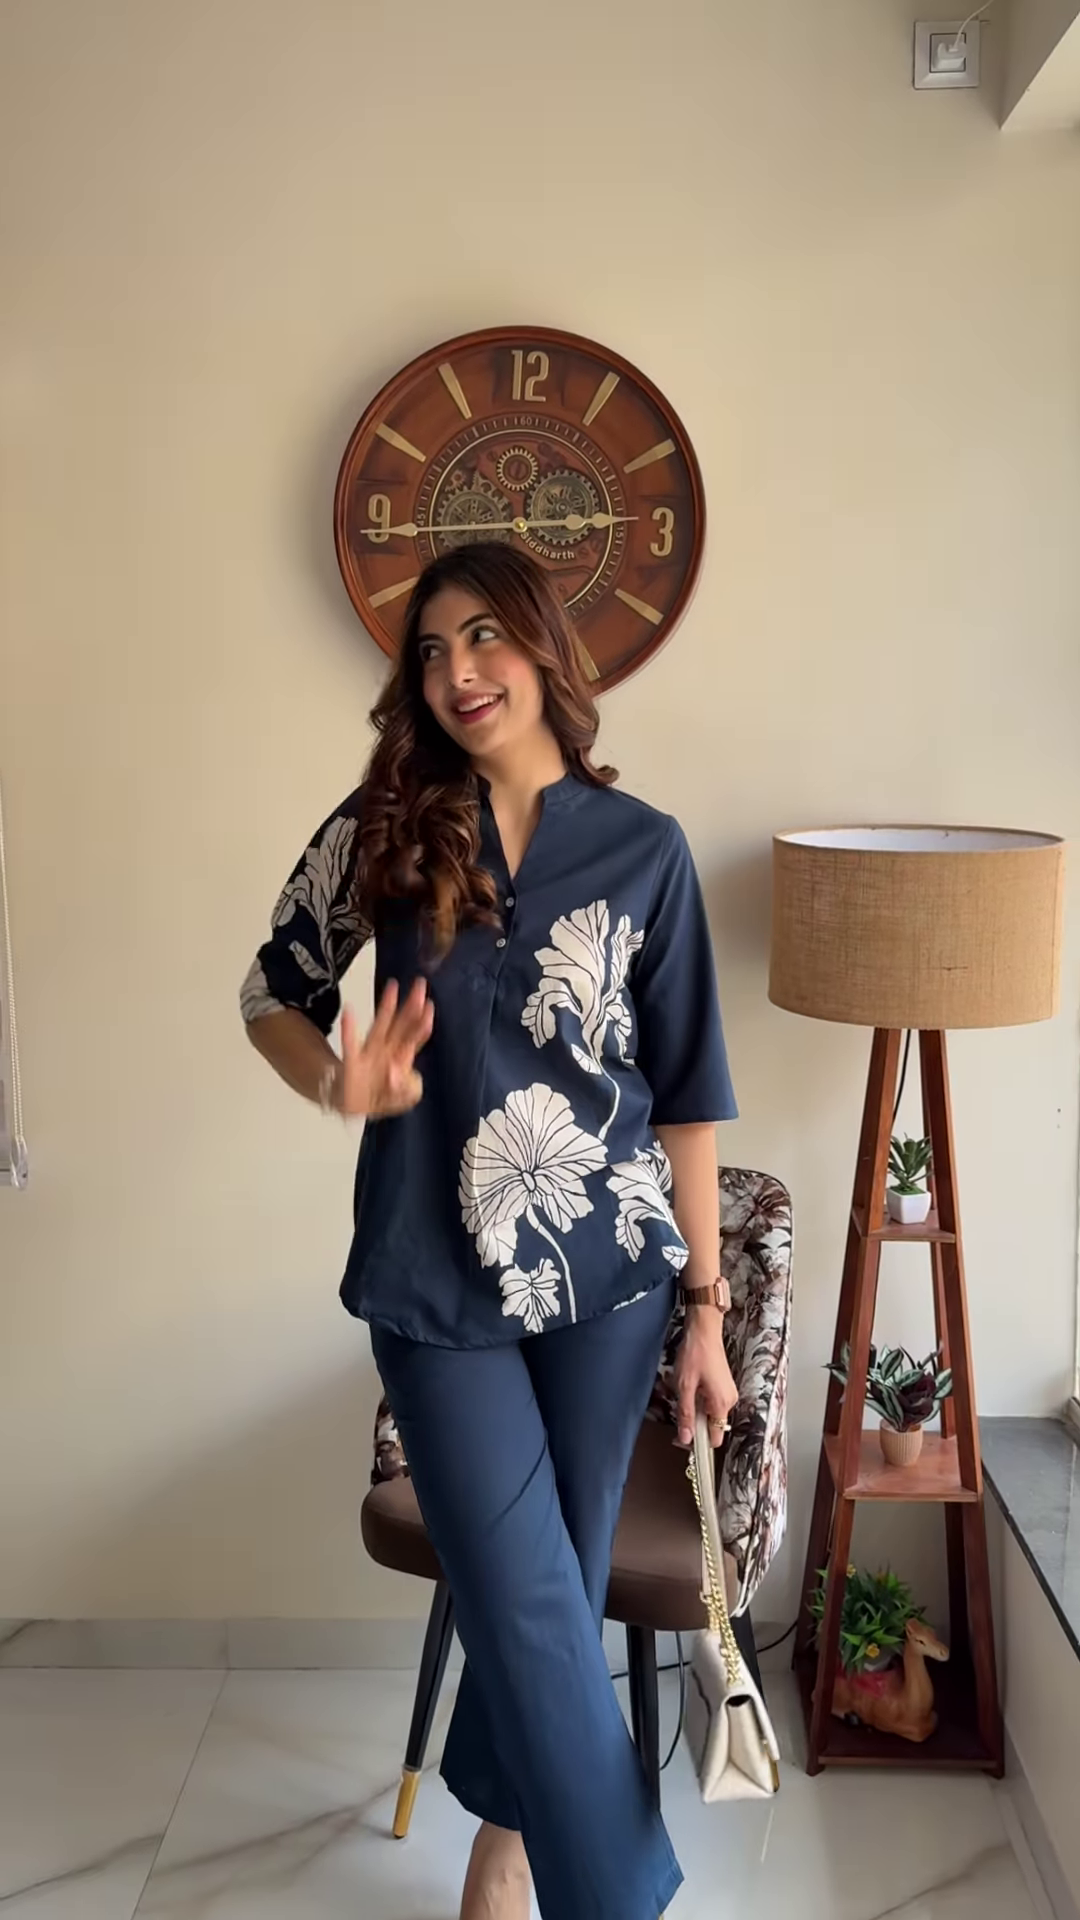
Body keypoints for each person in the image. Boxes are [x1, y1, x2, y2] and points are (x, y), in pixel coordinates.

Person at [241, 542, 738, 1920]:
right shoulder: (388, 827)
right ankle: (615, 1900)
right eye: (430, 650)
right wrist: (337, 1083)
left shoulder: (647, 851)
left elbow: (687, 1099)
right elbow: (271, 992)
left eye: (483, 637)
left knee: (554, 1583)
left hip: (610, 1284)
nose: (456, 672)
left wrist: (705, 1311)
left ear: (542, 645)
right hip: (429, 1276)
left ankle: (506, 1842)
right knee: (524, 1598)